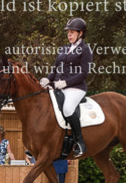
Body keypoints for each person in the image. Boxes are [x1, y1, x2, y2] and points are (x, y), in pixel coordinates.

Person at [40, 17, 93, 157]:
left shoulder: (85, 50)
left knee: (68, 109)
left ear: (80, 33)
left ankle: (80, 142)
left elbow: (83, 74)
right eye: (68, 32)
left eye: (72, 32)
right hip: (58, 86)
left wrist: (66, 83)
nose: (69, 35)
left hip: (76, 88)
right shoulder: (64, 48)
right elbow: (56, 67)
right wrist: (48, 79)